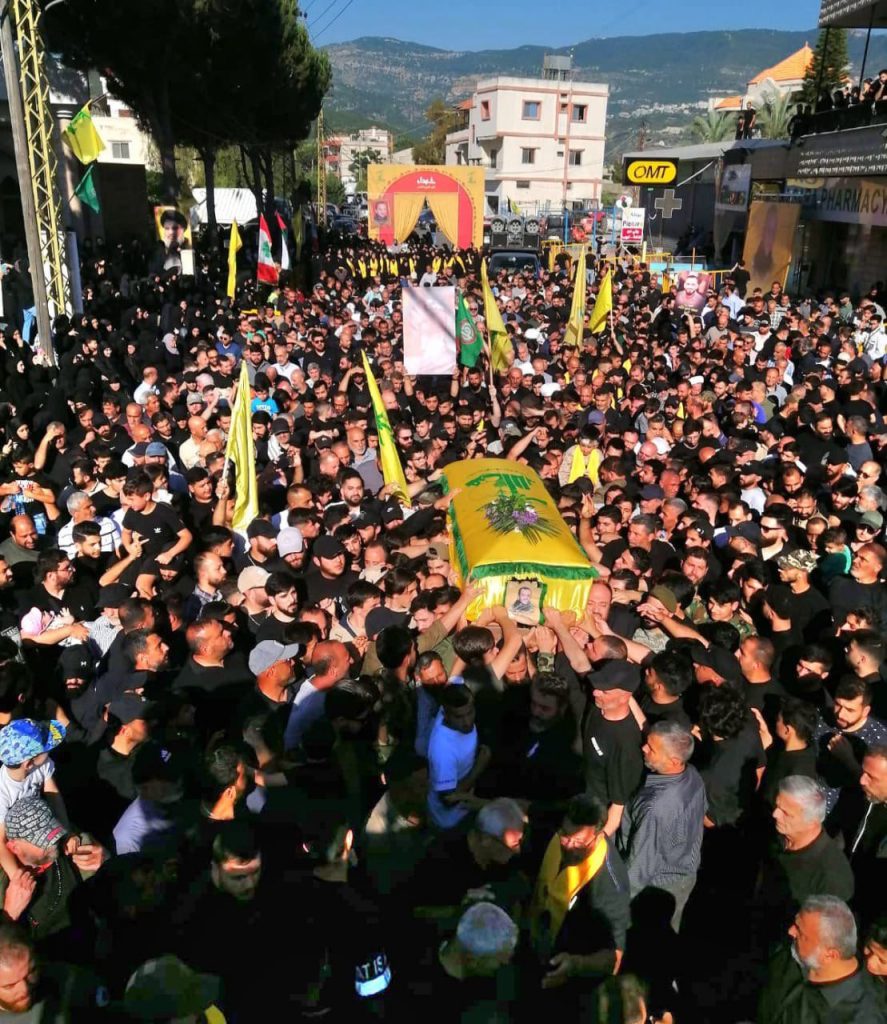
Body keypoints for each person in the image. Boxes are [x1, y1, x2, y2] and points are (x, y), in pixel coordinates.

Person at [529, 793, 630, 992]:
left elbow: (614, 956)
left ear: (600, 835)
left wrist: (577, 965)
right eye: (565, 836)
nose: (568, 847)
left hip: (565, 972)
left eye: (578, 842)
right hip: (532, 945)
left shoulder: (611, 883)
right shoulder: (556, 832)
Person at [619, 721, 706, 930]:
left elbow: (640, 868)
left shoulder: (656, 808)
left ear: (674, 760)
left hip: (657, 885)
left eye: (651, 749)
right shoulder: (692, 775)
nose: (643, 749)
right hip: (683, 874)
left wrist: (617, 904)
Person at [759, 895, 884, 1023]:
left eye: (800, 932)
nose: (791, 931)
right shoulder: (788, 957)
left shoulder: (862, 1017)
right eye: (795, 924)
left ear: (830, 955)